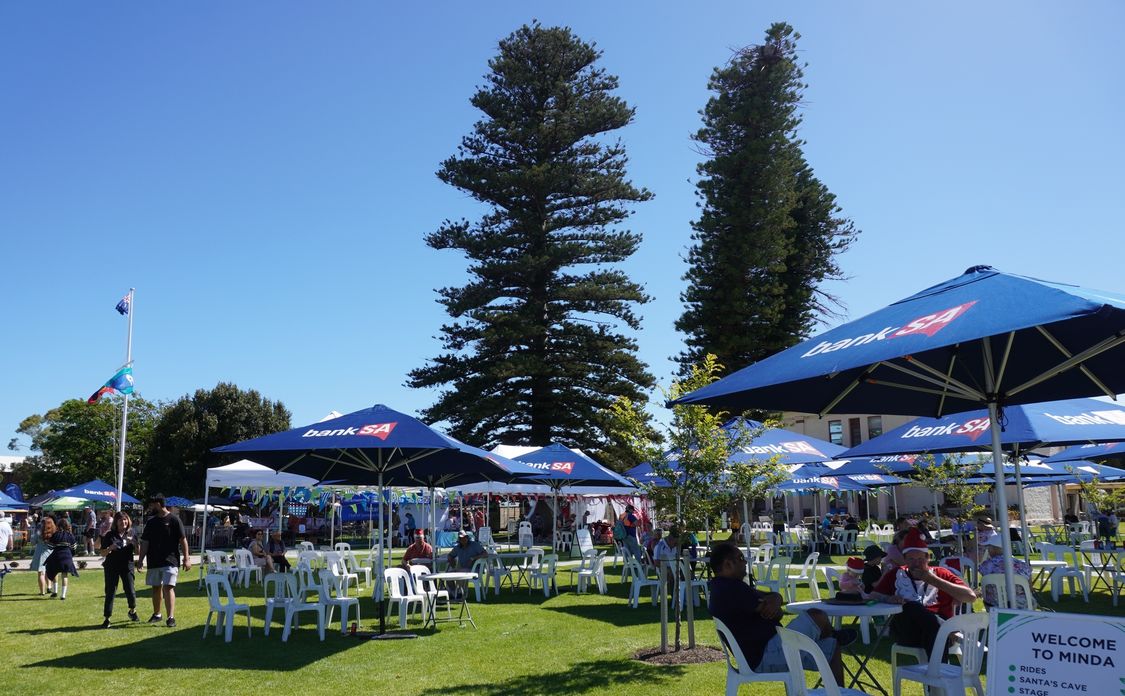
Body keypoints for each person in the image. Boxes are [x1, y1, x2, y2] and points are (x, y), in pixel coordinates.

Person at [708, 542, 853, 685]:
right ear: (728, 564)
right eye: (740, 558)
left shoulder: (723, 587)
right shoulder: (730, 589)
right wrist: (774, 603)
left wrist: (777, 598)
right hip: (765, 655)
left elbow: (770, 601)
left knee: (832, 647)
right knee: (817, 616)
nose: (745, 561)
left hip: (773, 649)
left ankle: (839, 691)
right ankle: (833, 634)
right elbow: (773, 611)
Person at [869, 528, 977, 658]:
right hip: (909, 631)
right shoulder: (896, 574)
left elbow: (970, 597)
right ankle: (941, 660)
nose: (917, 564)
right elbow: (873, 596)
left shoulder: (941, 573)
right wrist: (889, 598)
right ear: (905, 559)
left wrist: (932, 580)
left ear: (928, 557)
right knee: (911, 606)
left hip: (941, 635)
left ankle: (937, 669)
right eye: (911, 559)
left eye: (921, 559)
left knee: (933, 629)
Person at [136, 494, 191, 628]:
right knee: (156, 588)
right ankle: (157, 614)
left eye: (152, 504)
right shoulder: (151, 522)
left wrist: (187, 559)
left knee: (168, 587)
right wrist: (140, 560)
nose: (151, 507)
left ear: (159, 504)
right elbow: (145, 543)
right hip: (154, 560)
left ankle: (170, 617)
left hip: (170, 560)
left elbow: (183, 540)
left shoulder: (174, 520)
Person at [99, 511, 139, 627]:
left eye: (125, 519)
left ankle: (132, 611)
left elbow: (138, 552)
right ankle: (107, 618)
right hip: (111, 566)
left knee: (130, 591)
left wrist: (134, 543)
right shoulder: (109, 535)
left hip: (127, 566)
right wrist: (110, 548)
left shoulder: (132, 533)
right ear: (116, 522)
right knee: (110, 592)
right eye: (121, 520)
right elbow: (102, 553)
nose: (123, 522)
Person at [977, 535, 1032, 609]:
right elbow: (1029, 587)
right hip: (1021, 605)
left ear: (994, 549)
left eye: (989, 547)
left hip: (994, 604)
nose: (988, 550)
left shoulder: (986, 565)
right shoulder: (1022, 565)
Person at [45, 516, 79, 600]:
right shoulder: (70, 535)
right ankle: (63, 595)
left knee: (54, 572)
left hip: (56, 556)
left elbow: (50, 546)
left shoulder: (56, 535)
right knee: (64, 575)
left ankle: (55, 591)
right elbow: (74, 547)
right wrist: (70, 554)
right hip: (67, 556)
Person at [446, 530, 486, 599]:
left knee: (460, 572)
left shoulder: (475, 545)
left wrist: (473, 558)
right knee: (448, 575)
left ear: (467, 537)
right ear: (459, 540)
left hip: (476, 569)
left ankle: (461, 593)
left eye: (464, 537)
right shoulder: (458, 547)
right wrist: (451, 560)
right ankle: (454, 592)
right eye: (461, 538)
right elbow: (450, 555)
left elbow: (485, 554)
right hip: (464, 569)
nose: (463, 539)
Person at [30, 514, 55, 596]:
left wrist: (33, 533)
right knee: (49, 571)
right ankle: (49, 587)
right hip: (50, 552)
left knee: (41, 573)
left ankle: (42, 592)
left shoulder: (39, 532)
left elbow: (33, 542)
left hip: (40, 553)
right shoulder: (53, 531)